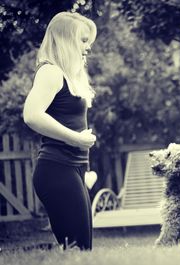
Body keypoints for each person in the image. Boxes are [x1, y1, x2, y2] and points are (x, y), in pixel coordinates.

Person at [23, 11, 97, 251]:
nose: (88, 48)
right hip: (56, 170)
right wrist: (77, 139)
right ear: (65, 39)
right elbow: (32, 115)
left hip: (72, 170)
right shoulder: (50, 72)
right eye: (83, 40)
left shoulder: (69, 76)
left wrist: (84, 171)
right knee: (78, 248)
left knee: (81, 249)